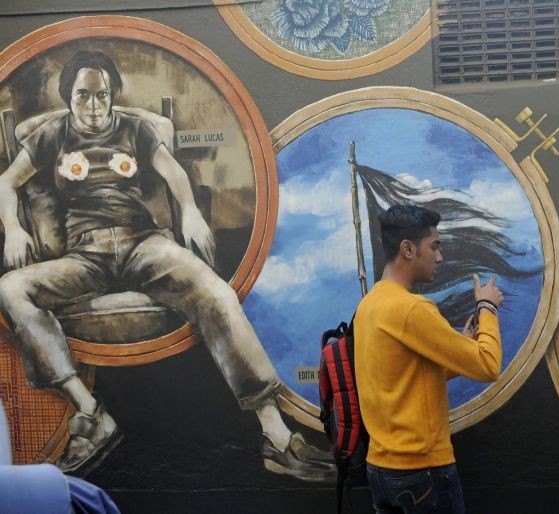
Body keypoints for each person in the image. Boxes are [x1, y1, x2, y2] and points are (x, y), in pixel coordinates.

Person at [0, 50, 333, 480]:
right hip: (85, 256)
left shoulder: (134, 128)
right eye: (83, 95)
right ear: (69, 96)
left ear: (112, 95)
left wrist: (190, 211)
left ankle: (276, 436)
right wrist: (14, 228)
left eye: (102, 95)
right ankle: (90, 413)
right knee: (10, 288)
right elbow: (7, 181)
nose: (94, 106)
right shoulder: (52, 134)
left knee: (216, 292)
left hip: (144, 244)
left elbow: (173, 172)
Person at [355, 204, 505, 514]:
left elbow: (406, 376)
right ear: (408, 249)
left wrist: (460, 348)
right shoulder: (413, 309)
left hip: (382, 470)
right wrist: (487, 307)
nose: (440, 257)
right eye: (434, 246)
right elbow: (488, 365)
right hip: (422, 472)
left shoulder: (368, 306)